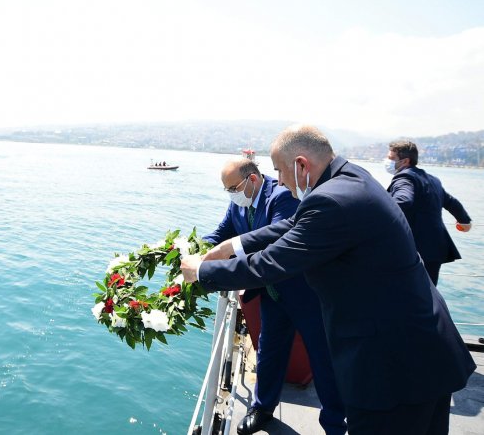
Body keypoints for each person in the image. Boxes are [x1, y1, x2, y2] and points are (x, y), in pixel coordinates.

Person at [181, 125, 475, 435]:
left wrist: (201, 272)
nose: (278, 180)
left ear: (301, 165)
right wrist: (232, 245)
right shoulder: (349, 179)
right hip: (424, 348)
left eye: (280, 171)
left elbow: (272, 262)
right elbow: (294, 224)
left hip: (394, 366)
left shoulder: (332, 200)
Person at [204, 156, 345, 434]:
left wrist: (214, 270)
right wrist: (200, 250)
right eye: (227, 191)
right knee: (270, 351)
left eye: (233, 188)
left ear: (252, 179)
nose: (231, 195)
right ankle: (262, 409)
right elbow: (223, 233)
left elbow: (274, 243)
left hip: (304, 292)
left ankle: (334, 423)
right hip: (272, 292)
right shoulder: (238, 202)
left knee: (322, 358)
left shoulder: (281, 197)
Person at [385, 140, 472, 286]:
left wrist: (373, 215)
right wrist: (464, 221)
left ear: (405, 161)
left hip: (414, 250)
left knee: (406, 296)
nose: (387, 161)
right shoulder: (432, 179)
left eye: (391, 158)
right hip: (435, 249)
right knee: (429, 297)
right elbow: (450, 201)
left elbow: (403, 201)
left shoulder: (405, 177)